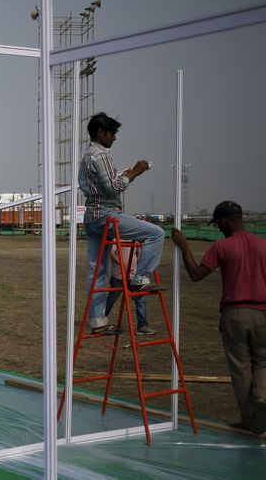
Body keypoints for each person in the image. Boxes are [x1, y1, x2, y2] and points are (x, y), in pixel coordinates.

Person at [171, 200, 266, 434]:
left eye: (218, 225)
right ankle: (262, 398)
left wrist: (184, 246)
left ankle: (249, 420)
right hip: (263, 313)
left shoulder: (222, 247)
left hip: (235, 314)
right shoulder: (263, 245)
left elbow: (195, 274)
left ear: (223, 222)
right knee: (263, 362)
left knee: (240, 369)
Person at [78, 112, 165, 336]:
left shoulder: (88, 155)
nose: (114, 138)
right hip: (107, 215)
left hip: (92, 217)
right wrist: (134, 172)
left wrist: (124, 175)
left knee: (96, 271)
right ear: (101, 133)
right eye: (112, 133)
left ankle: (97, 321)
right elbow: (113, 188)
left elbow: (105, 183)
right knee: (156, 234)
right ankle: (139, 278)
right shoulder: (100, 155)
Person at [104, 243, 156, 335]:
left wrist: (141, 266)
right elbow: (111, 254)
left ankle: (142, 326)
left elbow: (138, 254)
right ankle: (101, 320)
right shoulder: (116, 237)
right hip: (119, 277)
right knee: (111, 299)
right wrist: (123, 265)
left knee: (140, 298)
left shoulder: (135, 237)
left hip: (134, 277)